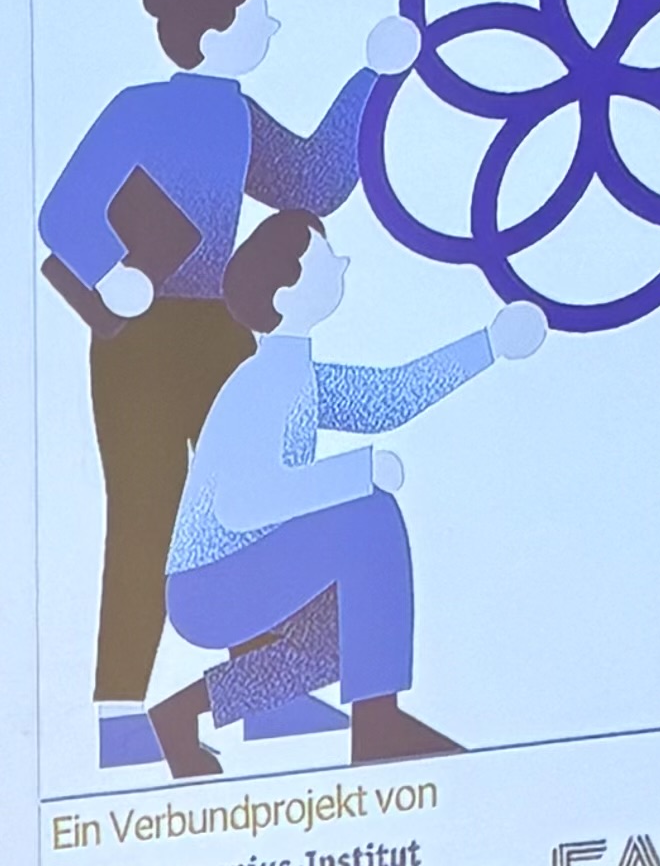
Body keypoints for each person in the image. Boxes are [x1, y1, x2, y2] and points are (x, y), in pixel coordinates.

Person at [38, 0, 412, 765]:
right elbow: (63, 213)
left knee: (252, 508)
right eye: (258, 13)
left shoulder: (237, 115)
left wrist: (374, 79)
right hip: (139, 337)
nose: (271, 26)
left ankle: (263, 698)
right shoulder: (139, 108)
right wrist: (112, 272)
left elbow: (312, 181)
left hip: (221, 328)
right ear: (212, 30)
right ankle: (119, 714)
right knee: (147, 510)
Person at [147, 212, 545, 776]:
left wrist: (490, 344)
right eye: (325, 259)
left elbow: (385, 399)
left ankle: (179, 717)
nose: (343, 264)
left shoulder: (296, 374)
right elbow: (241, 504)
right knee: (370, 516)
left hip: (244, 571)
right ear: (285, 295)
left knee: (341, 640)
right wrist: (358, 472)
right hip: (209, 586)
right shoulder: (261, 385)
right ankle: (379, 728)